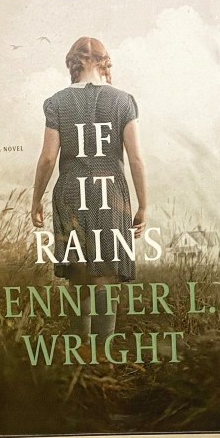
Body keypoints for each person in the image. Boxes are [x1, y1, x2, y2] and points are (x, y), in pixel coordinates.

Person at [30, 37, 147, 343]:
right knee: (106, 277)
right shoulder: (123, 101)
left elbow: (47, 158)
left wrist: (36, 200)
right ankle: (103, 354)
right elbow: (136, 158)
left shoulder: (57, 102)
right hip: (111, 194)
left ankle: (81, 353)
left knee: (79, 276)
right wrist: (143, 205)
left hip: (71, 193)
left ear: (73, 63)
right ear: (104, 62)